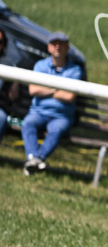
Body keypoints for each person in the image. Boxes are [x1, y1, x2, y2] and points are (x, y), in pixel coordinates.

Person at [21, 31, 84, 174]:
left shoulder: (74, 70)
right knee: (28, 123)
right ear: (49, 47)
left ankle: (35, 160)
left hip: (61, 116)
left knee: (56, 129)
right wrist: (57, 89)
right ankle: (36, 160)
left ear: (67, 48)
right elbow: (33, 90)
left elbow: (69, 97)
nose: (57, 47)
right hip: (38, 112)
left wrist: (46, 89)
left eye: (61, 44)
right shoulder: (40, 66)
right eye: (54, 44)